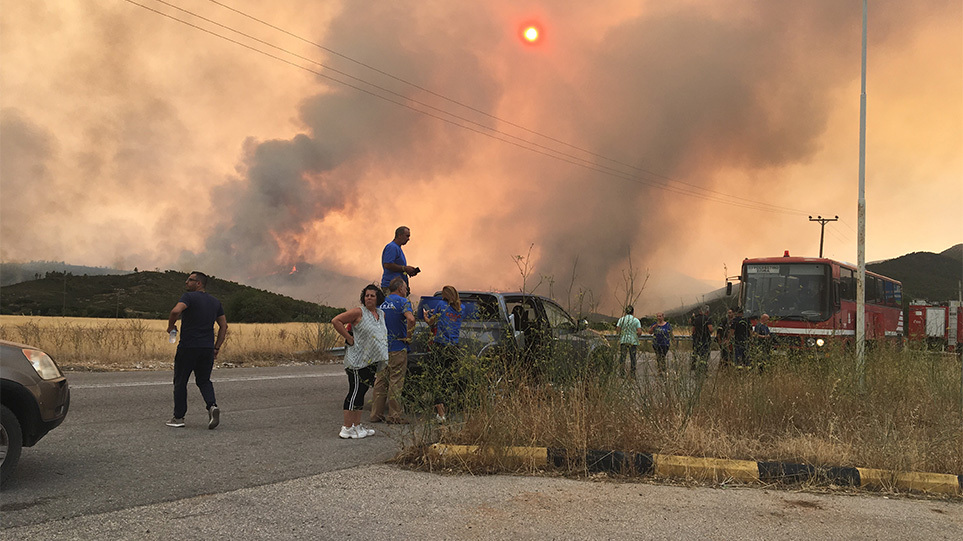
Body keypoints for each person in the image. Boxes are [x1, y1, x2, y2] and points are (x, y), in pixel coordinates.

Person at [165, 271, 227, 429]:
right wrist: (216, 347)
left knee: (180, 382)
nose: (186, 282)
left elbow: (175, 311)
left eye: (190, 280)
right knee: (204, 380)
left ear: (199, 283)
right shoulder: (215, 302)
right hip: (207, 348)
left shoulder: (188, 297)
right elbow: (223, 326)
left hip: (188, 347)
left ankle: (178, 418)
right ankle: (212, 406)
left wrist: (171, 326)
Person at [332, 285, 388, 439]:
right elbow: (336, 320)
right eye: (367, 295)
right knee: (355, 391)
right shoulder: (358, 312)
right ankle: (347, 427)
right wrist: (349, 338)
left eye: (372, 295)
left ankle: (357, 425)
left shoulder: (381, 314)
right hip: (357, 360)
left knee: (362, 391)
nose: (369, 298)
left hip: (371, 360)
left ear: (378, 298)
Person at [370, 277, 415, 424]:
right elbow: (411, 319)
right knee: (396, 382)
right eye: (406, 288)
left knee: (380, 382)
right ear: (400, 288)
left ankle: (376, 415)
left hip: (381, 348)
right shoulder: (403, 302)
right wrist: (408, 337)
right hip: (397, 348)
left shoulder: (381, 302)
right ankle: (394, 416)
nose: (407, 290)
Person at [423, 285, 463, 422]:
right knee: (448, 378)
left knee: (437, 379)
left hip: (440, 346)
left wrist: (426, 316)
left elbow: (430, 322)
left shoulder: (441, 305)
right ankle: (444, 409)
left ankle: (441, 413)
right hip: (454, 347)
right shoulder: (460, 309)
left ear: (444, 295)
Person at [381, 226, 421, 294]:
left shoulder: (397, 248)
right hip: (391, 287)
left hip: (398, 287)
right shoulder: (392, 247)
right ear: (399, 235)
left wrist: (407, 271)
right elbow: (387, 265)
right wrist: (404, 268)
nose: (408, 239)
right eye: (407, 236)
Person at [616, 305, 642, 376]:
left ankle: (622, 373)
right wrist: (636, 336)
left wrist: (622, 334)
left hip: (623, 340)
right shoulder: (636, 320)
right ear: (633, 312)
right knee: (633, 358)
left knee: (622, 357)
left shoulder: (621, 319)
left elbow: (618, 329)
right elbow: (639, 331)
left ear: (625, 311)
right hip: (633, 341)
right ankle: (632, 373)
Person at [689, 305, 714, 372]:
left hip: (696, 339)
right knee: (704, 354)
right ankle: (702, 368)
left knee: (695, 352)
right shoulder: (707, 319)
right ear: (707, 312)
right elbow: (710, 329)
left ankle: (693, 364)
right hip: (705, 339)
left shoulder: (696, 319)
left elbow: (693, 330)